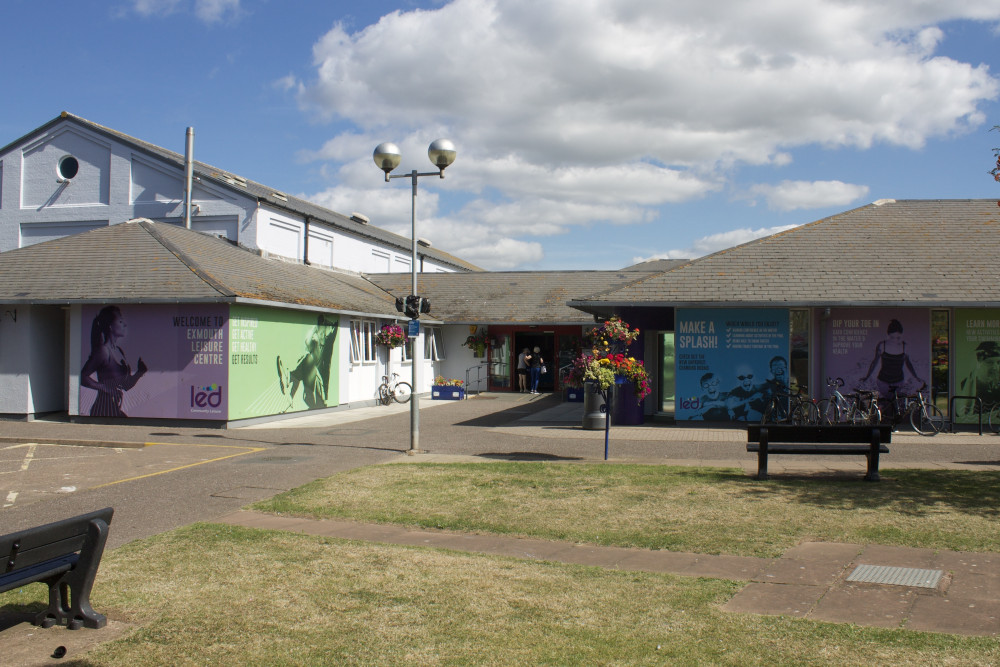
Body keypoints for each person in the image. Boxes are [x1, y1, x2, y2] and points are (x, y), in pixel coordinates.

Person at [80, 306, 148, 417]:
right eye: (120, 321)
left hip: (115, 409)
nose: (124, 324)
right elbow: (82, 377)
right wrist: (105, 388)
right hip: (102, 410)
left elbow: (126, 385)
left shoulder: (119, 351)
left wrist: (139, 372)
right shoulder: (103, 351)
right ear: (111, 326)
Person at [277, 315, 338, 409]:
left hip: (318, 389)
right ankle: (290, 387)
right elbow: (308, 343)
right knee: (306, 360)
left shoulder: (326, 343)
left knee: (307, 360)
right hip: (312, 383)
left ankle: (289, 378)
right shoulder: (314, 339)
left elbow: (330, 335)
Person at [860, 319, 923, 397]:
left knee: (895, 402)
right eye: (892, 337)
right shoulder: (882, 345)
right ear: (888, 335)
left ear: (902, 335)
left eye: (898, 338)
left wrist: (916, 377)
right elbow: (874, 362)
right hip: (883, 380)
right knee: (886, 401)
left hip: (898, 381)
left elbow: (908, 363)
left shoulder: (904, 346)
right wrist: (867, 376)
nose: (895, 340)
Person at [957, 341, 1000, 418]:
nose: (995, 367)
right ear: (979, 364)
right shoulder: (969, 383)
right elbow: (963, 413)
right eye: (989, 363)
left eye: (998, 362)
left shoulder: (997, 383)